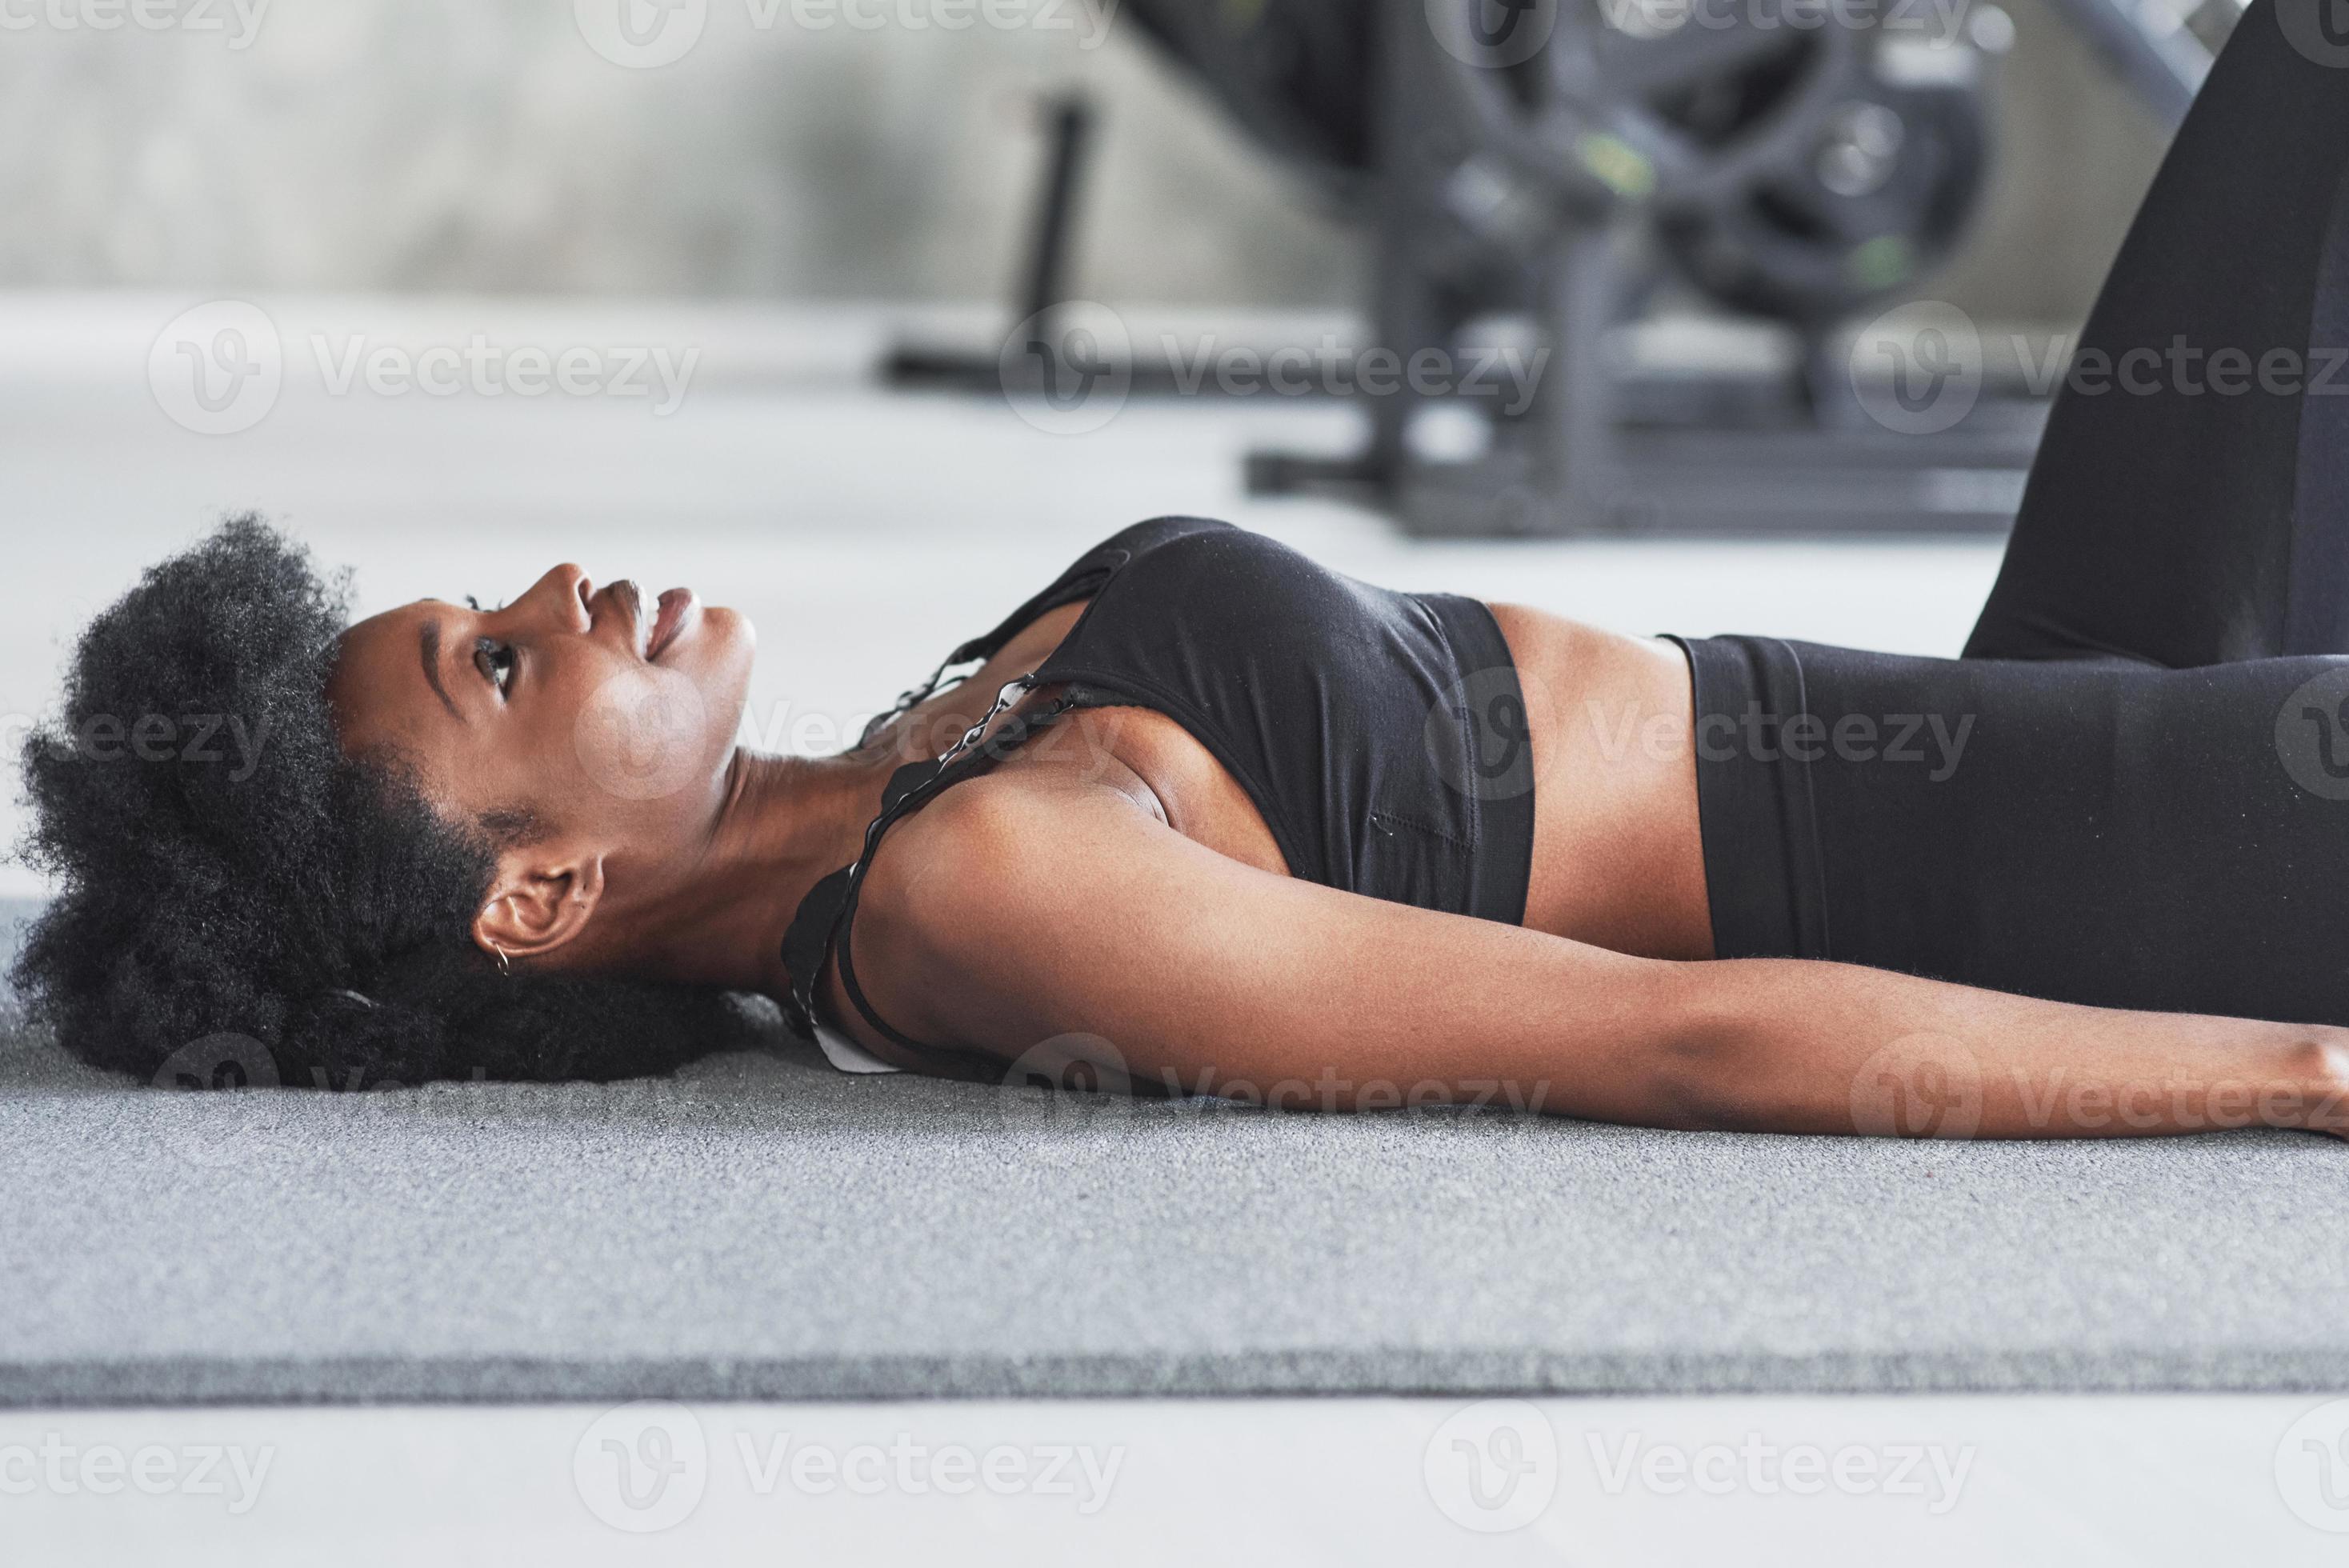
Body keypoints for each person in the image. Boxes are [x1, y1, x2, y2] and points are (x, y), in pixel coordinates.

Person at [15, 0, 2349, 1138]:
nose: (557, 584)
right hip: (2094, 869)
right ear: (527, 902)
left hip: (2040, 691)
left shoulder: (905, 765)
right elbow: (1680, 1033)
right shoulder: (973, 897)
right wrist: (2302, 1080)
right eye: (503, 669)